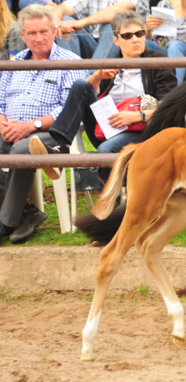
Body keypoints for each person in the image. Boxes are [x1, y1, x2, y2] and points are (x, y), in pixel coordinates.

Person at [29, 10, 177, 186]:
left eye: (139, 33)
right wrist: (97, 77)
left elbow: (168, 106)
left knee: (105, 150)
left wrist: (138, 116)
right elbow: (90, 97)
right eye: (127, 35)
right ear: (116, 40)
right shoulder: (112, 63)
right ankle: (60, 149)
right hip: (107, 127)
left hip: (141, 129)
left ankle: (111, 209)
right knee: (80, 85)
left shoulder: (157, 60)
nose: (135, 39)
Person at [0, 4, 87, 244]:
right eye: (32, 33)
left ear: (53, 30)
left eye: (44, 31)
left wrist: (31, 125)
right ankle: (27, 213)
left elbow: (67, 109)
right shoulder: (13, 62)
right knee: (15, 146)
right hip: (9, 129)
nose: (39, 38)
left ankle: (6, 223)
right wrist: (3, 123)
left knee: (22, 149)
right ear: (23, 35)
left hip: (49, 132)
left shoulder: (70, 61)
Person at [51, 0, 162, 59]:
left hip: (124, 46)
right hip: (94, 45)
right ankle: (71, 73)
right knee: (65, 22)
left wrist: (82, 23)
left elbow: (120, 10)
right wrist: (58, 24)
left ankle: (92, 79)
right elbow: (61, 9)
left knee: (112, 25)